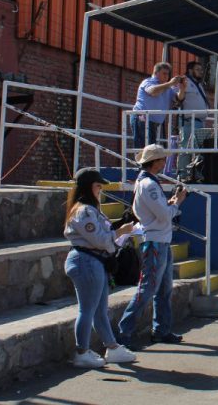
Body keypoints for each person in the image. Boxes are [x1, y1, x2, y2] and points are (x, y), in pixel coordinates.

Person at [63, 168, 138, 368]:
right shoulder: (84, 210)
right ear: (88, 187)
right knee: (87, 310)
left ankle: (112, 347)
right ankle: (81, 351)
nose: (100, 190)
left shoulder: (91, 209)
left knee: (99, 310)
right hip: (86, 260)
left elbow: (104, 235)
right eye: (97, 186)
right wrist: (120, 231)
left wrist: (121, 227)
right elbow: (99, 239)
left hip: (94, 261)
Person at [116, 145, 188, 348]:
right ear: (155, 162)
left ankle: (161, 329)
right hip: (156, 241)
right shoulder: (149, 184)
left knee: (163, 289)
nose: (164, 162)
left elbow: (160, 211)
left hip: (160, 240)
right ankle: (124, 332)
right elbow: (164, 215)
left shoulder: (146, 183)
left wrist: (171, 204)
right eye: (161, 159)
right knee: (147, 289)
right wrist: (177, 203)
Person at [131, 62, 185, 149]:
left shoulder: (168, 87)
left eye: (167, 74)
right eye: (164, 73)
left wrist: (182, 89)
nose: (166, 76)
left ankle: (144, 162)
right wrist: (170, 84)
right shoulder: (148, 81)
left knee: (150, 149)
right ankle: (140, 163)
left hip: (153, 122)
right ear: (156, 73)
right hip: (142, 117)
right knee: (144, 149)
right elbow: (153, 92)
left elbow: (177, 100)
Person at [176, 60, 210, 175]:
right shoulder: (184, 81)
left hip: (200, 122)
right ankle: (182, 175)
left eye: (201, 70)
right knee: (186, 148)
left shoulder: (199, 84)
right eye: (198, 70)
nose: (201, 72)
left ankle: (195, 174)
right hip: (189, 121)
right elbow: (177, 99)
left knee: (198, 150)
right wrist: (181, 89)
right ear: (190, 70)